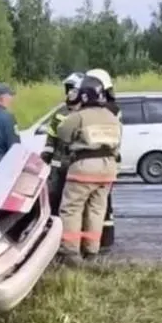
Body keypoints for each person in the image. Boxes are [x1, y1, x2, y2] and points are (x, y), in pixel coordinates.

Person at [55, 75, 121, 264]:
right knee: (97, 210)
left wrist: (73, 110)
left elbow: (63, 134)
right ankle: (92, 251)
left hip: (84, 167)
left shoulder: (79, 116)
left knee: (72, 209)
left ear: (83, 96)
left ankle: (70, 253)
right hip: (108, 168)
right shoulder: (112, 116)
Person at [85, 68, 119, 252]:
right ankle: (104, 240)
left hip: (92, 160)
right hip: (110, 161)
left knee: (94, 205)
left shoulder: (100, 109)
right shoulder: (114, 108)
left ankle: (95, 242)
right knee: (104, 204)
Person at [45, 72, 84, 216]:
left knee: (73, 201)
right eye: (68, 89)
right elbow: (51, 139)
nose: (69, 92)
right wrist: (45, 159)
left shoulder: (86, 113)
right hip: (58, 165)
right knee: (53, 197)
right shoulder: (60, 113)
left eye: (72, 89)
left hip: (76, 164)